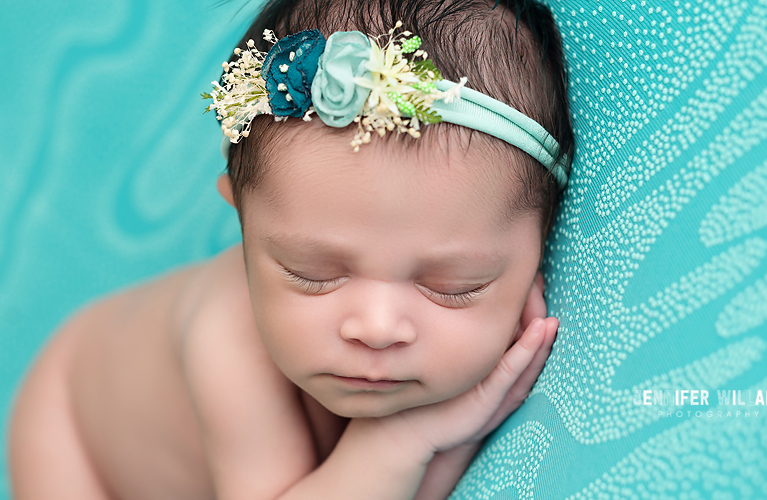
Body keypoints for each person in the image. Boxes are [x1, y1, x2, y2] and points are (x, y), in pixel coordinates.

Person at [8, 0, 572, 498]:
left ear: (540, 244)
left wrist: (434, 440)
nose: (376, 327)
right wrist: (408, 436)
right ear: (244, 222)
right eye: (312, 273)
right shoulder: (224, 337)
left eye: (454, 285)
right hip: (72, 431)